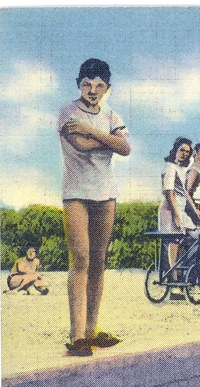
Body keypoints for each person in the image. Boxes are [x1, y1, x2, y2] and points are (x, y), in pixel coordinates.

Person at [58, 58, 131, 356]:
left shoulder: (111, 114)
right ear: (78, 84)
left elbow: (125, 148)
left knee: (99, 261)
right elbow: (81, 145)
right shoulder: (67, 112)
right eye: (87, 84)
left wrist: (95, 132)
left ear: (107, 88)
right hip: (76, 194)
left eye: (99, 85)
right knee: (81, 259)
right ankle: (77, 336)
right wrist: (110, 140)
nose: (92, 90)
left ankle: (92, 330)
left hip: (106, 195)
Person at [158, 137, 195, 282]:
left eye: (187, 151)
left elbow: (184, 192)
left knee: (190, 238)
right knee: (173, 243)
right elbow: (169, 193)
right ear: (175, 150)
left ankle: (181, 275)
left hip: (180, 209)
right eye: (182, 150)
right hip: (169, 210)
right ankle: (172, 279)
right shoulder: (170, 167)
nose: (184, 153)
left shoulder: (182, 169)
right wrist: (177, 215)